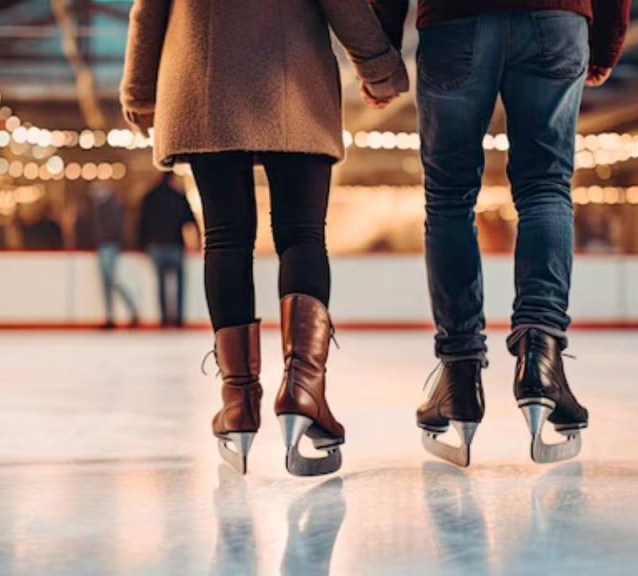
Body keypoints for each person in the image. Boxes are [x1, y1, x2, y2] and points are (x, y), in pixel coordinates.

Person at [122, 0, 408, 476]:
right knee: (301, 235)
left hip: (203, 77)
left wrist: (140, 91)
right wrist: (379, 68)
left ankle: (238, 402)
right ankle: (303, 389)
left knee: (225, 237)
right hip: (294, 77)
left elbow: (147, 8)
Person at [370, 0, 630, 466]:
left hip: (457, 21)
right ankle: (541, 360)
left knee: (449, 197)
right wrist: (606, 37)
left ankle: (459, 374)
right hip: (556, 19)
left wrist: (381, 51)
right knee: (546, 187)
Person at [139, 173, 200, 328]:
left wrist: (142, 244)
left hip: (156, 245)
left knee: (161, 284)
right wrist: (198, 240)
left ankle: (164, 318)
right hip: (175, 245)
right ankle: (178, 318)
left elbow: (142, 222)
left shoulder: (150, 197)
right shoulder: (178, 196)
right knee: (179, 284)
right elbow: (190, 220)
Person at [90, 183, 140, 329]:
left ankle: (130, 310)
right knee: (107, 283)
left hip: (109, 246)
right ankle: (110, 316)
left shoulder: (111, 207)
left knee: (110, 280)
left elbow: (115, 227)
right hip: (104, 245)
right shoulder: (101, 207)